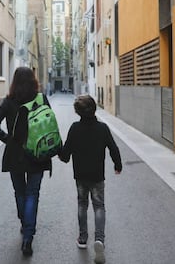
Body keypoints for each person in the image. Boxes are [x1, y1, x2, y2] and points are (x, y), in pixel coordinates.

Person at [0, 67, 52, 257]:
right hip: (37, 153)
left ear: (14, 82)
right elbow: (49, 124)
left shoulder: (9, 102)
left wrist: (7, 139)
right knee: (33, 194)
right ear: (33, 81)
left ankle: (25, 222)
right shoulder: (40, 99)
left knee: (20, 192)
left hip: (15, 153)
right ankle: (28, 237)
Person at [58, 95, 122, 264]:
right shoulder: (102, 128)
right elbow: (113, 148)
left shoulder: (74, 128)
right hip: (97, 176)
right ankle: (99, 239)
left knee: (82, 204)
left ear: (78, 112)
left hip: (80, 176)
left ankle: (82, 238)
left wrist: (58, 149)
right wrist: (118, 165)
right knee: (99, 206)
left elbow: (65, 156)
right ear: (94, 109)